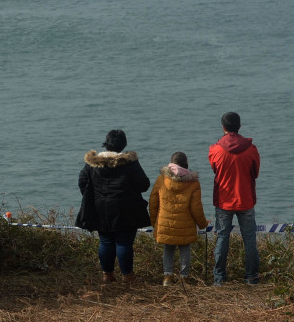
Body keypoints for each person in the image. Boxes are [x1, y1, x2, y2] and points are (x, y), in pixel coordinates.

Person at [78, 130, 151, 284]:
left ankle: (107, 274)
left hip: (100, 207)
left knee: (105, 241)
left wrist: (93, 197)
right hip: (126, 208)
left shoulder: (93, 163)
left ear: (107, 143)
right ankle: (127, 276)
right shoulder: (130, 163)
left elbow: (82, 181)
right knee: (124, 242)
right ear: (124, 144)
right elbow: (144, 184)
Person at [209, 112, 260, 285]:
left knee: (222, 237)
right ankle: (252, 276)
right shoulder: (251, 149)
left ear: (223, 127)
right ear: (239, 126)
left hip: (224, 200)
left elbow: (215, 169)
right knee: (249, 238)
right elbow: (255, 173)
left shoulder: (215, 149)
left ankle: (219, 277)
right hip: (245, 198)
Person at [149, 152, 208, 285]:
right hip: (185, 225)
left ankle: (167, 277)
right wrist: (203, 224)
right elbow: (196, 208)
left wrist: (155, 222)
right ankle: (184, 277)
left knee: (168, 248)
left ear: (171, 164)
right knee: (185, 248)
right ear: (186, 165)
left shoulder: (162, 179)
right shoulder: (193, 183)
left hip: (165, 222)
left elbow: (153, 202)